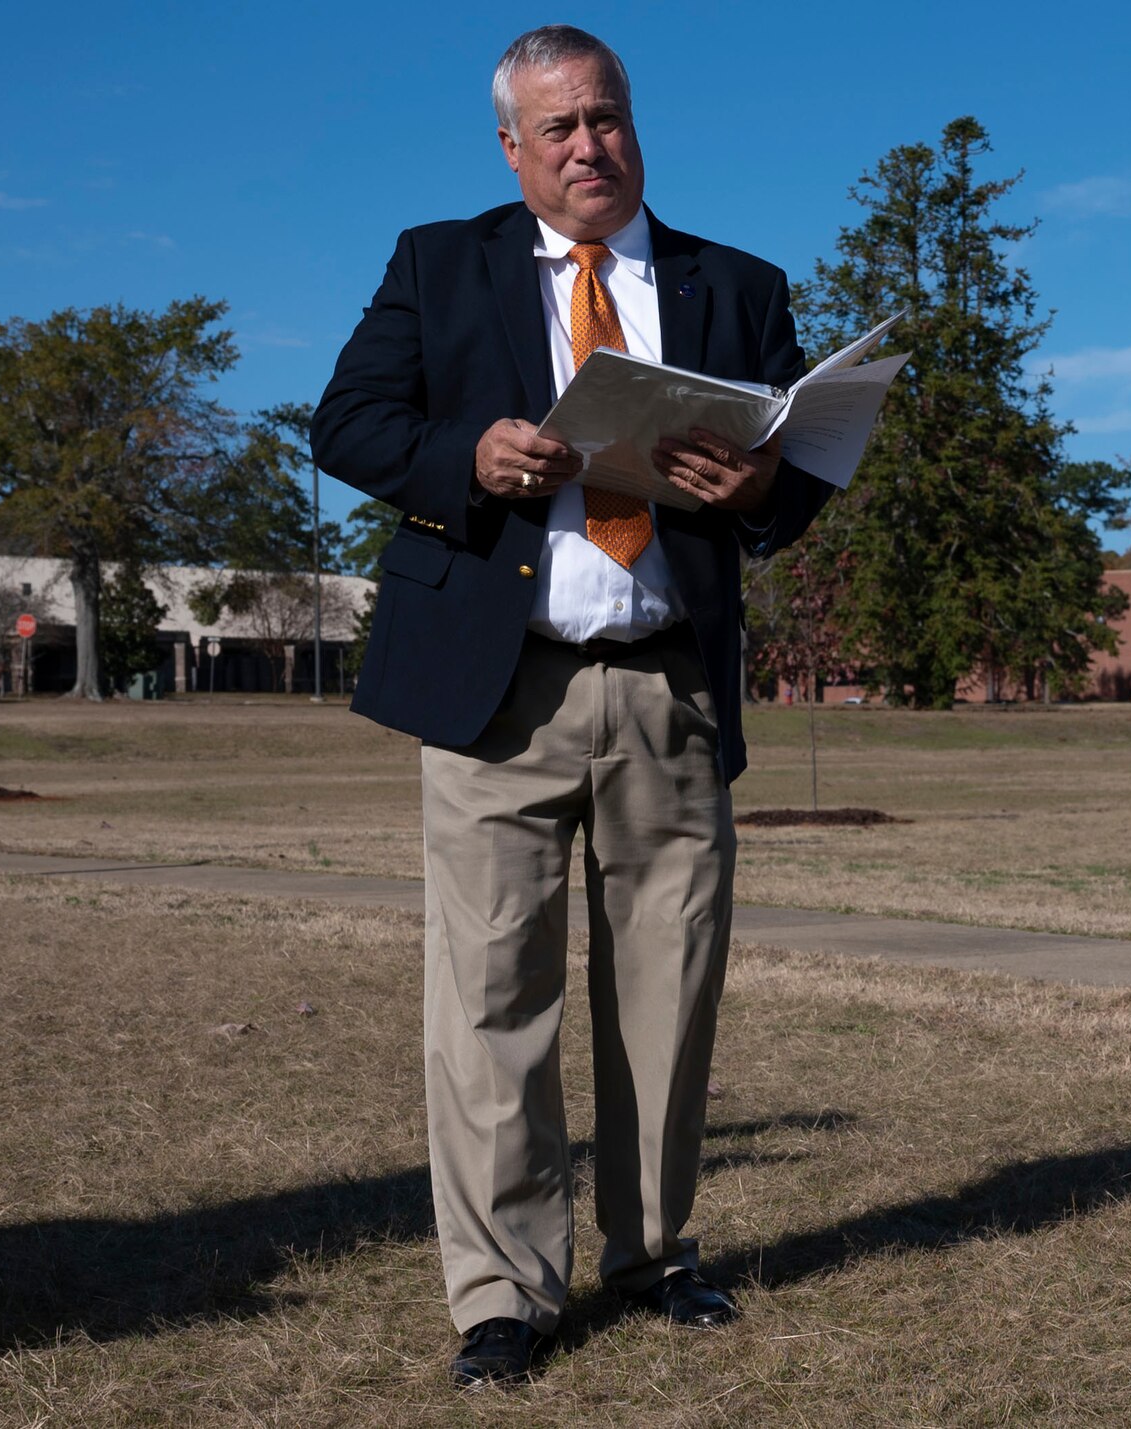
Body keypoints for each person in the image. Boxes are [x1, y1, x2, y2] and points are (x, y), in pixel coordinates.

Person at [310, 24, 832, 1389]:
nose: (590, 144)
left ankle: (657, 1251)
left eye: (606, 117)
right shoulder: (440, 264)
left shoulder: (737, 284)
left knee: (668, 985)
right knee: (490, 994)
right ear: (511, 148)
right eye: (559, 128)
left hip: (670, 684)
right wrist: (463, 457)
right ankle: (503, 1295)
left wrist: (761, 491)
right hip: (497, 690)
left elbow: (801, 467)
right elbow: (346, 425)